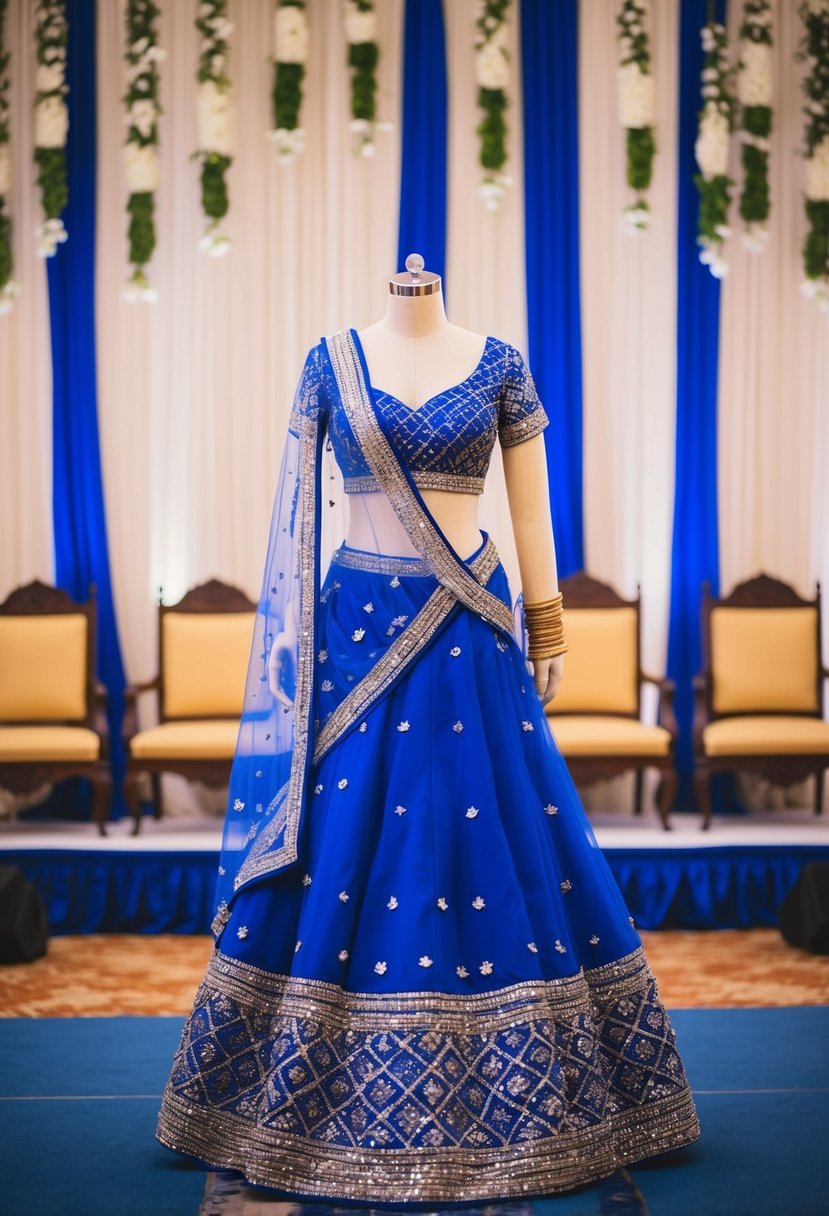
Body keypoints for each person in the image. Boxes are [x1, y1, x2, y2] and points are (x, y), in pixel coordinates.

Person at [156, 257, 699, 1203]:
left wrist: (546, 622)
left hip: (469, 633)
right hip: (357, 632)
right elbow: (295, 520)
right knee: (347, 836)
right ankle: (284, 1087)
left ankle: (549, 1090)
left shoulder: (499, 363)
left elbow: (530, 505)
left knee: (487, 833)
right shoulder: (330, 362)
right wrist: (291, 641)